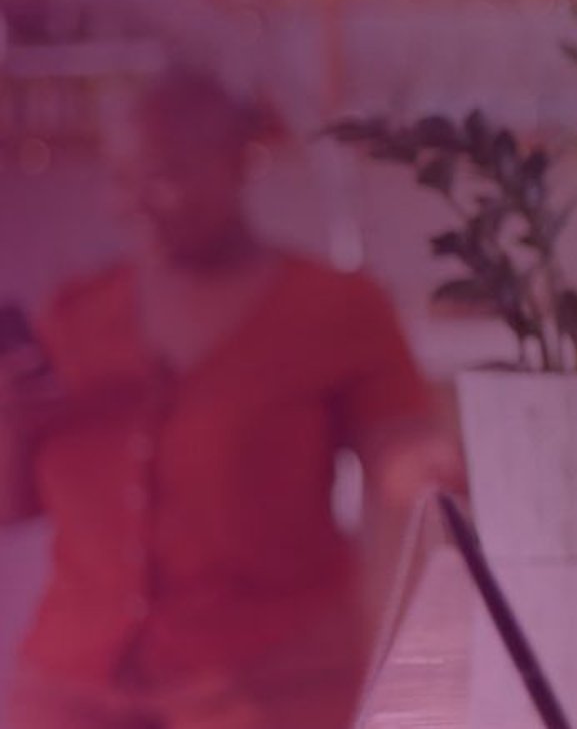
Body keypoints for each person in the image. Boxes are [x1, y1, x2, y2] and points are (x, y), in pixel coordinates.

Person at [4, 69, 461, 729]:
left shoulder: (333, 306)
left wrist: (424, 465)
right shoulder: (75, 315)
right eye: (121, 179)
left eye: (164, 176)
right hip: (70, 685)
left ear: (238, 164)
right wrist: (10, 422)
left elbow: (395, 442)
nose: (133, 203)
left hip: (270, 683)